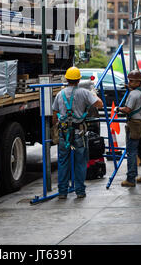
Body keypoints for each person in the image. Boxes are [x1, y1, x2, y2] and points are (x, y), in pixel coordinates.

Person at [52, 66, 103, 199]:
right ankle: (80, 191)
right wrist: (94, 94)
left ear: (67, 79)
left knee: (63, 162)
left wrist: (56, 128)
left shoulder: (60, 94)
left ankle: (62, 192)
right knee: (80, 162)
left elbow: (54, 114)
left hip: (64, 132)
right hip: (79, 132)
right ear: (78, 79)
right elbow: (100, 104)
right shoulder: (84, 93)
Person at [118, 70, 141, 187]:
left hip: (134, 125)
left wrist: (118, 109)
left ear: (138, 82)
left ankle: (130, 179)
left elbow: (128, 110)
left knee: (132, 152)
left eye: (131, 81)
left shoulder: (133, 94)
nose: (129, 82)